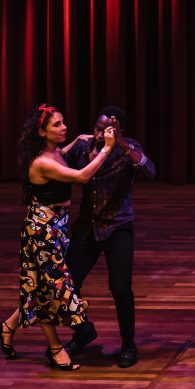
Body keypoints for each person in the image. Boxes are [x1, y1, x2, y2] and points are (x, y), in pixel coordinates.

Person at [0, 103, 115, 370]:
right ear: (42, 132)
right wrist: (106, 148)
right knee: (50, 289)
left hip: (55, 228)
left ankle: (8, 325)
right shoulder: (41, 162)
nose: (64, 127)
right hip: (42, 231)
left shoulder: (53, 151)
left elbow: (64, 152)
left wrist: (77, 141)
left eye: (63, 122)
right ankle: (56, 348)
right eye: (57, 125)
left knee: (40, 287)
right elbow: (81, 176)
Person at [62, 106, 156, 368]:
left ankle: (128, 343)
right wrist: (74, 141)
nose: (100, 134)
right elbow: (54, 162)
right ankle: (83, 332)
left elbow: (150, 170)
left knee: (120, 288)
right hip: (86, 228)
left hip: (118, 227)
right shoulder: (84, 147)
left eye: (107, 130)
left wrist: (122, 143)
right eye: (97, 128)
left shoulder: (127, 149)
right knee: (67, 283)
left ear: (119, 131)